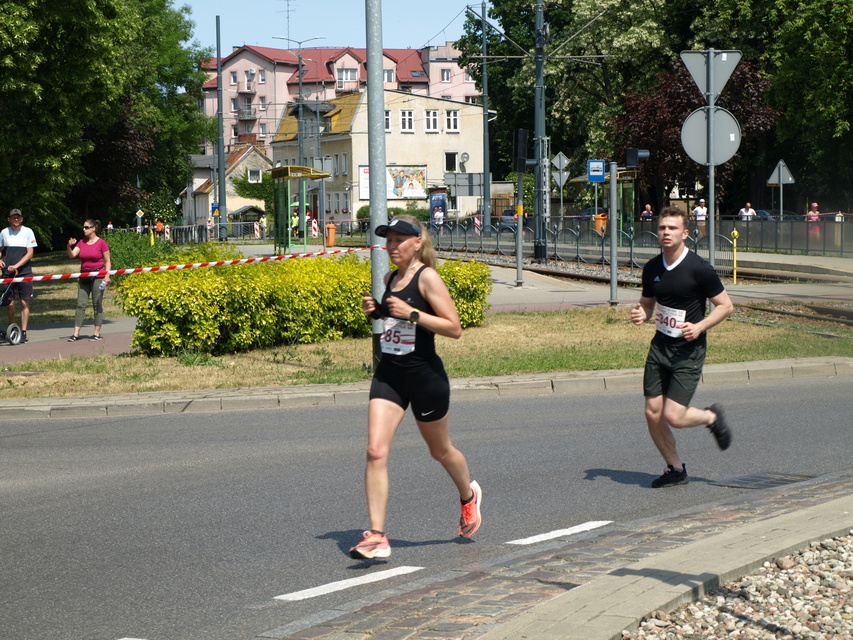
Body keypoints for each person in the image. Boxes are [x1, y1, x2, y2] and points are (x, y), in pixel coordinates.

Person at [351, 215, 481, 559]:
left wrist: (411, 314)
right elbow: (394, 320)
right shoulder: (389, 277)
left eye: (398, 241)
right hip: (390, 375)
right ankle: (377, 536)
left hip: (426, 378)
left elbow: (454, 328)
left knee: (440, 451)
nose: (391, 247)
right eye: (388, 241)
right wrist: (377, 312)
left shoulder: (428, 278)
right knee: (375, 451)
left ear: (417, 243)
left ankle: (468, 495)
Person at [630, 207, 734, 488]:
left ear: (685, 234)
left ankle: (711, 416)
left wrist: (700, 326)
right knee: (652, 412)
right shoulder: (652, 267)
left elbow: (726, 306)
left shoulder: (699, 268)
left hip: (688, 350)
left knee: (673, 416)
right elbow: (648, 304)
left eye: (672, 228)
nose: (666, 232)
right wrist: (642, 314)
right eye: (662, 227)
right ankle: (675, 469)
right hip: (660, 347)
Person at [66, 219, 111, 341]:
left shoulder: (101, 243)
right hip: (84, 276)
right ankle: (76, 334)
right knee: (80, 304)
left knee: (97, 304)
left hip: (98, 276)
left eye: (86, 227)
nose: (84, 229)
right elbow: (72, 255)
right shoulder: (81, 242)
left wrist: (107, 276)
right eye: (83, 227)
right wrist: (69, 246)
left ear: (93, 228)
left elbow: (107, 261)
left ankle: (96, 333)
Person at [0, 208, 37, 343]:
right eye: (13, 217)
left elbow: (30, 253)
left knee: (24, 302)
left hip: (24, 272)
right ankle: (12, 329)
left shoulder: (28, 232)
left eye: (18, 217)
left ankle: (24, 331)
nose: (16, 219)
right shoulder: (4, 232)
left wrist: (17, 265)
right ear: (9, 219)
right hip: (8, 273)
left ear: (21, 219)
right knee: (9, 303)